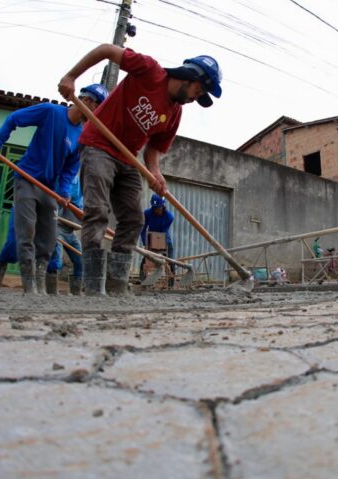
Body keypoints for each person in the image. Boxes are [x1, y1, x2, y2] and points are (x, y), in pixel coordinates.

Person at [58, 45, 222, 296]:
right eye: (197, 90)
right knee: (97, 210)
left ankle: (116, 285)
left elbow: (153, 151)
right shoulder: (149, 71)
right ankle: (93, 285)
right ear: (190, 75)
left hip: (127, 158)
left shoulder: (175, 114)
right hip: (99, 145)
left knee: (134, 218)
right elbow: (106, 50)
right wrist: (71, 76)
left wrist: (156, 173)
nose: (193, 99)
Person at [0, 84, 107, 294]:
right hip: (26, 179)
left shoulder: (81, 135)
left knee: (49, 239)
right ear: (86, 101)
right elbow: (15, 118)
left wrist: (64, 191)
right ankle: (23, 283)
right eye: (98, 107)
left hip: (49, 188)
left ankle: (40, 283)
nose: (98, 114)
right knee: (25, 234)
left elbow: (70, 168)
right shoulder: (51, 112)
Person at [45, 175, 85, 296]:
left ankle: (76, 291)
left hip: (70, 231)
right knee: (57, 260)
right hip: (57, 227)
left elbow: (79, 208)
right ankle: (51, 291)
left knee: (81, 260)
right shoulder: (58, 177)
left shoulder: (77, 181)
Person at [139, 194, 175, 280]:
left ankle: (171, 282)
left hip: (165, 239)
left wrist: (159, 249)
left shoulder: (169, 217)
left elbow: (163, 232)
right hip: (151, 239)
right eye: (154, 208)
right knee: (146, 260)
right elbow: (143, 229)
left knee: (170, 261)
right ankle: (142, 279)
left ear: (163, 207)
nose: (156, 211)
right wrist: (145, 243)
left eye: (158, 208)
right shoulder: (147, 213)